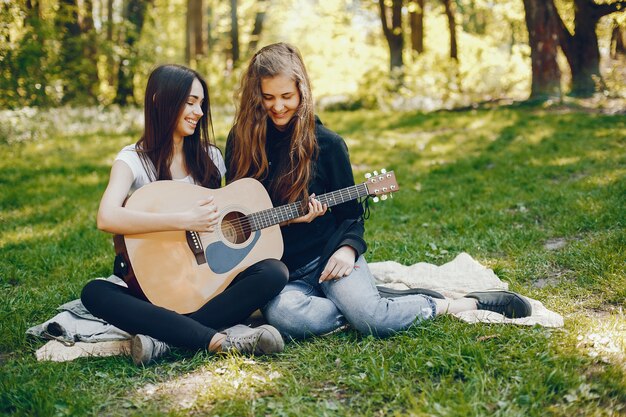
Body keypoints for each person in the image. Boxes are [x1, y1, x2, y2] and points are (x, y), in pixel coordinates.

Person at [225, 43, 531, 340]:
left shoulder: (327, 144)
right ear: (255, 97)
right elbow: (235, 213)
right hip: (280, 273)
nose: (278, 106)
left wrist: (347, 250)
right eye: (268, 97)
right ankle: (368, 308)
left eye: (287, 96)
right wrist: (286, 221)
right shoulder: (241, 144)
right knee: (286, 316)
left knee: (369, 316)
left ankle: (461, 303)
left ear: (302, 92)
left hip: (329, 255)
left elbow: (351, 215)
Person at [81, 64, 289, 365]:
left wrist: (296, 214)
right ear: (160, 101)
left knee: (274, 271)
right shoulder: (132, 160)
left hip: (201, 286)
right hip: (150, 284)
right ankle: (214, 339)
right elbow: (107, 217)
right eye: (190, 102)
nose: (199, 112)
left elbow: (226, 220)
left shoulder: (211, 158)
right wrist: (183, 220)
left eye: (201, 104)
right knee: (95, 292)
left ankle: (166, 339)